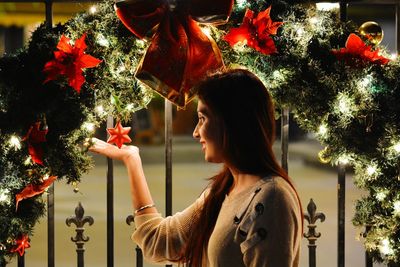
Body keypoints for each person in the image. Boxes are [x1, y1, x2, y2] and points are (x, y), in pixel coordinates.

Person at [89, 68, 302, 267]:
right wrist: (131, 160)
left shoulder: (271, 199)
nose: (195, 132)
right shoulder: (223, 190)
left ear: (232, 122)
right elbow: (159, 241)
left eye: (202, 118)